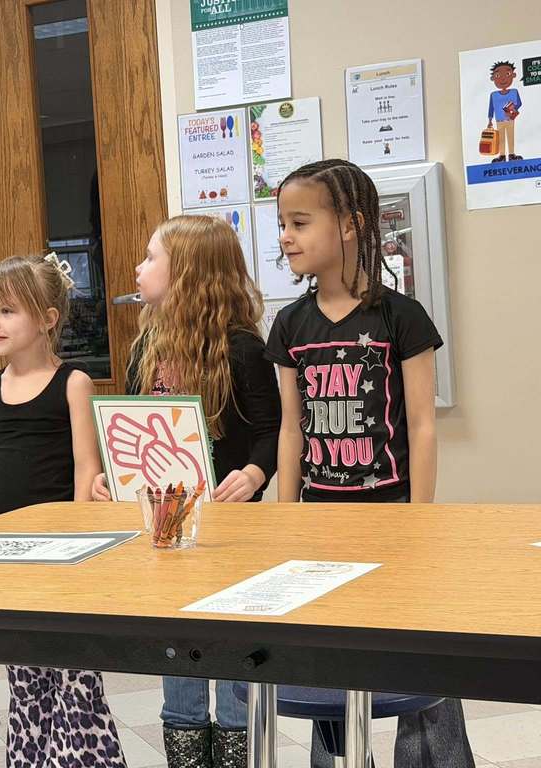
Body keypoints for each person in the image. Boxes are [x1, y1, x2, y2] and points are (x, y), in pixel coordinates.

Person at [264, 158, 474, 768]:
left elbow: (423, 425)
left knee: (415, 662)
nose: (286, 236)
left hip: (392, 520)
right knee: (331, 664)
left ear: (351, 224)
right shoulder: (290, 324)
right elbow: (290, 428)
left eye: (300, 222)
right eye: (282, 223)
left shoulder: (400, 317)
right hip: (320, 526)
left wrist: (419, 519)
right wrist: (284, 520)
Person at [91, 215, 280, 768]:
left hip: (229, 527)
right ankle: (186, 742)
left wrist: (254, 473)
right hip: (163, 527)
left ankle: (238, 738)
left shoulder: (242, 348)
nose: (137, 267)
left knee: (230, 637)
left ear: (189, 272)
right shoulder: (145, 344)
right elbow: (129, 423)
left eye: (150, 257)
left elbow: (271, 429)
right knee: (177, 643)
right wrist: (109, 472)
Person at [0, 254, 125, 768]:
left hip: (61, 555)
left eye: (7, 311)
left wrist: (80, 550)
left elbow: (85, 468)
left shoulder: (73, 383)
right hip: (4, 556)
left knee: (74, 674)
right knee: (24, 677)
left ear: (48, 318)